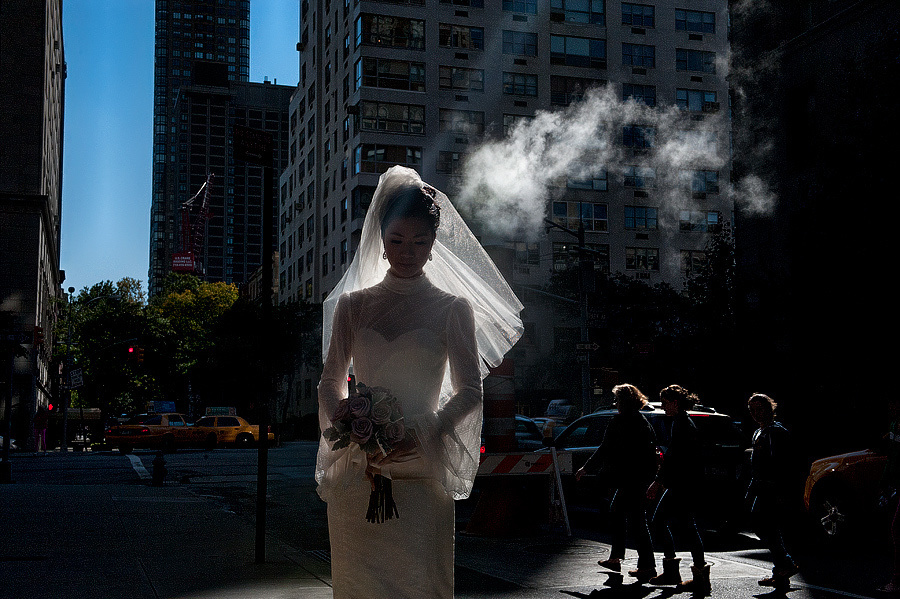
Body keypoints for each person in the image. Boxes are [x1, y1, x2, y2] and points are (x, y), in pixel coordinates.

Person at [316, 166, 523, 599]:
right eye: (396, 241)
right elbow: (329, 381)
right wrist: (346, 422)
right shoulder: (352, 306)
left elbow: (469, 390)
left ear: (433, 246)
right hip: (360, 469)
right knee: (360, 587)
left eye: (419, 242)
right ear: (379, 238)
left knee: (419, 583)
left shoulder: (453, 309)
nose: (406, 252)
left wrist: (423, 429)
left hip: (422, 467)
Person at [575, 384, 659, 582]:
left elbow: (605, 448)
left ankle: (645, 565)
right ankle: (619, 558)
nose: (615, 403)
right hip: (639, 478)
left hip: (629, 479)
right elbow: (650, 452)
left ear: (622, 402)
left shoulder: (620, 422)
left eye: (617, 399)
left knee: (632, 520)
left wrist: (586, 468)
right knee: (624, 515)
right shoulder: (642, 421)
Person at [646, 384, 709, 592]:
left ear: (674, 402)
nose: (662, 406)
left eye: (664, 402)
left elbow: (673, 457)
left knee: (660, 521)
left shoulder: (681, 423)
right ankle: (698, 575)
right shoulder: (682, 421)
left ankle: (678, 571)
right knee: (686, 526)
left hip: (682, 485)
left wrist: (658, 482)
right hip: (686, 484)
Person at [746, 392, 799, 590]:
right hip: (760, 487)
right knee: (765, 526)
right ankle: (781, 572)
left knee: (764, 526)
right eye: (752, 410)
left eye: (760, 408)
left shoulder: (776, 432)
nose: (755, 413)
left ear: (770, 409)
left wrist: (780, 491)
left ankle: (784, 564)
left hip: (772, 488)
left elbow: (784, 464)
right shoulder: (759, 432)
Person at [878, 397, 900, 594]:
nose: (892, 407)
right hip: (896, 485)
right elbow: (892, 456)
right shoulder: (894, 424)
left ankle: (897, 580)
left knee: (897, 529)